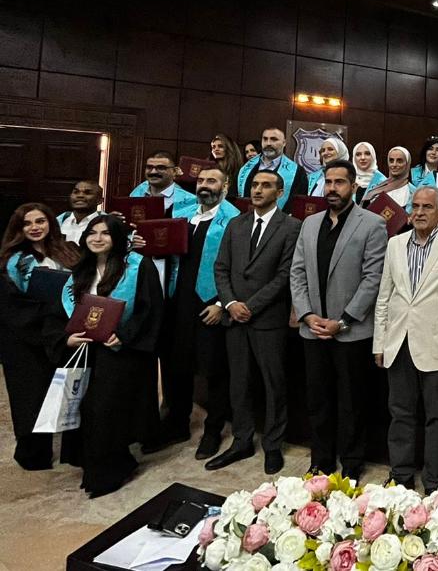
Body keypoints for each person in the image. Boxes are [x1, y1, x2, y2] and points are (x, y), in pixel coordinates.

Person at [44, 214, 164, 497]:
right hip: (85, 350)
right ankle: (105, 461)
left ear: (118, 238)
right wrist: (66, 339)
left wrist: (124, 335)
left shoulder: (138, 266)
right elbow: (57, 313)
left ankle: (105, 474)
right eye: (92, 233)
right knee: (85, 409)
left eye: (105, 233)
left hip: (119, 353)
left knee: (105, 411)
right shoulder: (80, 269)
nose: (97, 238)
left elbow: (151, 309)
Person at [373, 186, 438, 493]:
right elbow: (384, 296)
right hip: (398, 344)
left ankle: (434, 482)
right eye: (415, 206)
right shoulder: (395, 244)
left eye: (427, 207)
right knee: (400, 414)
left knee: (437, 417)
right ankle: (401, 477)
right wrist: (380, 342)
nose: (419, 212)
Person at [291, 159, 387, 478]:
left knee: (352, 403)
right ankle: (321, 461)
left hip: (350, 332)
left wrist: (343, 321)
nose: (332, 188)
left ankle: (352, 464)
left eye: (339, 182)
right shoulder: (309, 223)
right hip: (313, 330)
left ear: (353, 186)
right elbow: (297, 273)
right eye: (329, 182)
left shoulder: (372, 224)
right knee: (317, 401)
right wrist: (307, 315)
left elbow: (373, 278)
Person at [208, 170, 301, 474]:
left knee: (274, 385)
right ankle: (242, 441)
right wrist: (230, 303)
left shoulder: (291, 227)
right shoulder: (236, 224)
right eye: (255, 185)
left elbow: (285, 275)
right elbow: (221, 268)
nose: (258, 190)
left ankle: (273, 445)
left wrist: (251, 306)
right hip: (235, 318)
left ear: (280, 192)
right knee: (239, 383)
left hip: (268, 319)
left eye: (266, 185)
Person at [145, 167, 240, 457]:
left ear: (225, 186)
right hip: (178, 299)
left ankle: (213, 431)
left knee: (214, 370)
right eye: (201, 180)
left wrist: (222, 304)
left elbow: (239, 268)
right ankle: (177, 423)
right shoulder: (182, 214)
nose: (204, 185)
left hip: (211, 302)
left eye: (212, 181)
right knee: (176, 366)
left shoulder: (234, 219)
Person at [0, 204, 78, 470]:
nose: (35, 227)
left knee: (63, 391)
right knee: (30, 398)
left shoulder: (67, 251)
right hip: (25, 336)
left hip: (63, 331)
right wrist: (47, 315)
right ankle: (33, 454)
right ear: (18, 228)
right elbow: (11, 304)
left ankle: (72, 449)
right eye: (27, 223)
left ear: (50, 223)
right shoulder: (12, 261)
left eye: (40, 221)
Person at [236, 128, 307, 208]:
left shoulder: (297, 172)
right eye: (265, 139)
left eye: (274, 139)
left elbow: (298, 204)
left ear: (284, 143)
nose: (268, 143)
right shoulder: (246, 168)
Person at [130, 150, 198, 218]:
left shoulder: (189, 200)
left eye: (161, 168)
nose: (153, 172)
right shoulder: (138, 191)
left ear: (174, 171)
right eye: (149, 167)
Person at [361, 146, 416, 213]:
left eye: (399, 161)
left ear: (407, 164)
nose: (394, 164)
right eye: (391, 160)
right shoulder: (377, 187)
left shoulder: (413, 192)